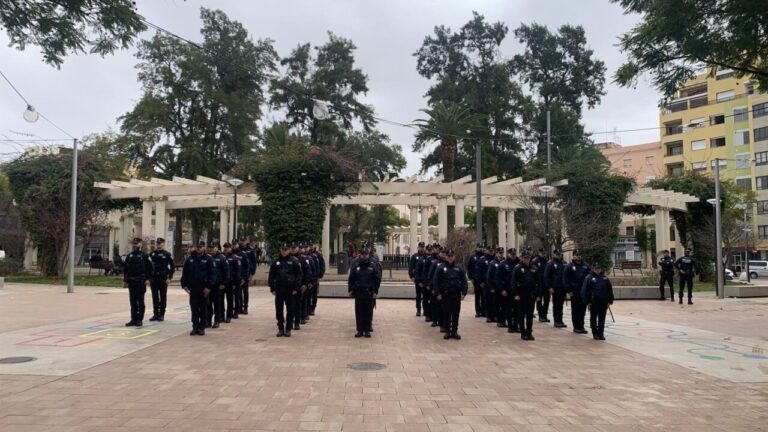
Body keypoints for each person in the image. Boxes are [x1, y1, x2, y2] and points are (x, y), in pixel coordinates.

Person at [268, 243, 303, 337]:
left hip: (290, 290)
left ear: (289, 250)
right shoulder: (276, 262)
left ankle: (288, 328)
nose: (284, 251)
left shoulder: (294, 261)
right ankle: (280, 328)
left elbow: (299, 276)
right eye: (283, 249)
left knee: (290, 310)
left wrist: (296, 288)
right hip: (279, 290)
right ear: (280, 250)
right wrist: (272, 288)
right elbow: (271, 276)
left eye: (286, 249)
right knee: (279, 310)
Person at [433, 248, 468, 340]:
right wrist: (437, 293)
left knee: (456, 314)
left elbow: (464, 281)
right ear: (446, 257)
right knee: (446, 313)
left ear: (454, 257)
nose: (450, 258)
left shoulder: (459, 268)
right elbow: (436, 281)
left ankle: (454, 332)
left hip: (456, 294)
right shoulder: (440, 267)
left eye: (451, 256)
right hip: (445, 295)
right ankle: (447, 331)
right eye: (448, 256)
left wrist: (464, 292)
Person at [181, 241, 213, 336]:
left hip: (204, 288)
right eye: (197, 247)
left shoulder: (208, 259)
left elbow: (212, 274)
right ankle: (195, 327)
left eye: (200, 247)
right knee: (194, 308)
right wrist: (184, 285)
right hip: (193, 288)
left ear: (204, 248)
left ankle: (202, 327)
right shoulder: (190, 259)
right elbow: (185, 273)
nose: (198, 248)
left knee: (203, 308)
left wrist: (209, 287)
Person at [348, 247, 381, 338]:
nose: (364, 256)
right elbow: (351, 278)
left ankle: (367, 330)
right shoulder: (356, 266)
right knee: (359, 311)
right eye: (362, 254)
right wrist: (350, 290)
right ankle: (359, 330)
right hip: (358, 292)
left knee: (368, 311)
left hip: (368, 292)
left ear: (368, 255)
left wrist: (376, 292)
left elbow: (377, 280)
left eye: (366, 254)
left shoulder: (372, 266)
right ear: (360, 255)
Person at [511, 251, 541, 341]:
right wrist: (515, 294)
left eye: (528, 258)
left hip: (531, 294)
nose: (526, 259)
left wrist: (538, 294)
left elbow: (538, 282)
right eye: (525, 258)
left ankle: (529, 332)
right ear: (522, 258)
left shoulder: (534, 268)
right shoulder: (518, 268)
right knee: (522, 314)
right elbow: (513, 282)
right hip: (521, 294)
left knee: (529, 314)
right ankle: (523, 332)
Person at [122, 238, 153, 328]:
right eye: (134, 244)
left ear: (141, 245)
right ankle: (133, 319)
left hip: (140, 280)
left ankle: (139, 319)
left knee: (140, 301)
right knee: (133, 302)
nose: (135, 245)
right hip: (132, 281)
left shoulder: (145, 256)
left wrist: (148, 279)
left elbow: (150, 268)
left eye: (137, 244)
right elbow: (126, 269)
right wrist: (125, 280)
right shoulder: (130, 256)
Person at [581, 262, 614, 341]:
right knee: (593, 318)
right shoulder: (588, 278)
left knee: (602, 319)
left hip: (603, 302)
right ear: (593, 269)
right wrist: (586, 301)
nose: (598, 270)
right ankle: (595, 333)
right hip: (593, 301)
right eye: (596, 268)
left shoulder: (605, 278)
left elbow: (609, 290)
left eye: (599, 268)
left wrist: (610, 300)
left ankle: (601, 333)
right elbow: (584, 290)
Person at [563, 249, 590, 334]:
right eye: (576, 254)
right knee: (575, 309)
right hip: (574, 291)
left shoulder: (586, 266)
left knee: (582, 309)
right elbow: (565, 279)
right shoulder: (569, 266)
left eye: (579, 254)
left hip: (583, 292)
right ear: (573, 256)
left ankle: (581, 326)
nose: (578, 256)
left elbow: (589, 278)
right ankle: (576, 326)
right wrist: (568, 290)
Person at [149, 238, 174, 322]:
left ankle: (161, 314)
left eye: (160, 243)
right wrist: (149, 278)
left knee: (163, 297)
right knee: (155, 297)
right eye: (157, 243)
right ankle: (155, 314)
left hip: (163, 278)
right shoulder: (152, 254)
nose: (158, 244)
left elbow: (172, 267)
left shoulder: (167, 254)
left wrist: (169, 277)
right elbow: (148, 266)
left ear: (163, 244)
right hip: (154, 278)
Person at [496, 248, 520, 333]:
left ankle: (516, 325)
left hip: (517, 290)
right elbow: (498, 278)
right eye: (511, 254)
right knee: (509, 309)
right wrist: (501, 290)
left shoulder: (519, 263)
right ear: (508, 254)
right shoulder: (503, 264)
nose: (513, 256)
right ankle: (510, 326)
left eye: (514, 254)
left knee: (517, 309)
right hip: (507, 290)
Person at [207, 241, 228, 329]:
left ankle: (217, 320)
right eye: (210, 247)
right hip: (208, 285)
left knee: (217, 304)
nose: (212, 249)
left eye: (213, 247)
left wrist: (224, 283)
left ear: (217, 248)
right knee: (208, 304)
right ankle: (207, 321)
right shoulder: (207, 257)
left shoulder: (222, 258)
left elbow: (226, 272)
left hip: (217, 285)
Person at [544, 250, 567, 328]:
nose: (559, 256)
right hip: (555, 287)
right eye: (557, 254)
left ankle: (560, 320)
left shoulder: (564, 263)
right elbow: (546, 276)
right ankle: (556, 320)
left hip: (562, 287)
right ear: (554, 255)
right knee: (556, 304)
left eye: (560, 254)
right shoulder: (550, 263)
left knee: (561, 305)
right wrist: (549, 287)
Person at [223, 242, 241, 323]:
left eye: (228, 247)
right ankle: (221, 316)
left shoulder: (235, 258)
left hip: (231, 282)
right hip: (222, 282)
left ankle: (229, 315)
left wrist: (235, 283)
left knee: (230, 299)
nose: (226, 248)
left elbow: (238, 272)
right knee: (220, 300)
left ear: (231, 248)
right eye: (225, 247)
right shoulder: (222, 257)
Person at [239, 238, 257, 315]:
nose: (243, 242)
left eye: (244, 241)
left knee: (245, 291)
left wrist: (252, 274)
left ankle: (245, 307)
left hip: (247, 273)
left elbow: (254, 262)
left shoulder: (251, 250)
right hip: (239, 274)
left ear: (247, 241)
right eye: (241, 241)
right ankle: (239, 307)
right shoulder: (238, 250)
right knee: (238, 292)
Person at [532, 248, 550, 323]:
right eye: (542, 252)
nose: (543, 254)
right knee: (539, 300)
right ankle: (541, 315)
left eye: (544, 252)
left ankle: (545, 315)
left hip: (546, 284)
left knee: (547, 300)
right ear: (539, 253)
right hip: (539, 284)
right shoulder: (535, 261)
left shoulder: (547, 262)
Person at [409, 242, 427, 316]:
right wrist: (412, 277)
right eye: (420, 247)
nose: (422, 248)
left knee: (425, 296)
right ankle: (418, 309)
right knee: (418, 295)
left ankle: (425, 310)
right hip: (418, 279)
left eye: (423, 247)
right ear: (418, 248)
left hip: (425, 280)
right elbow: (411, 268)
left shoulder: (427, 257)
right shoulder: (414, 256)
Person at [467, 243, 485, 318]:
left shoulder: (485, 257)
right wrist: (471, 278)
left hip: (484, 280)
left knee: (484, 296)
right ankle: (478, 311)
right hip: (476, 279)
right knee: (477, 296)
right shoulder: (473, 257)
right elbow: (469, 268)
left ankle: (484, 311)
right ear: (476, 248)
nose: (480, 249)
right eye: (479, 247)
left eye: (481, 247)